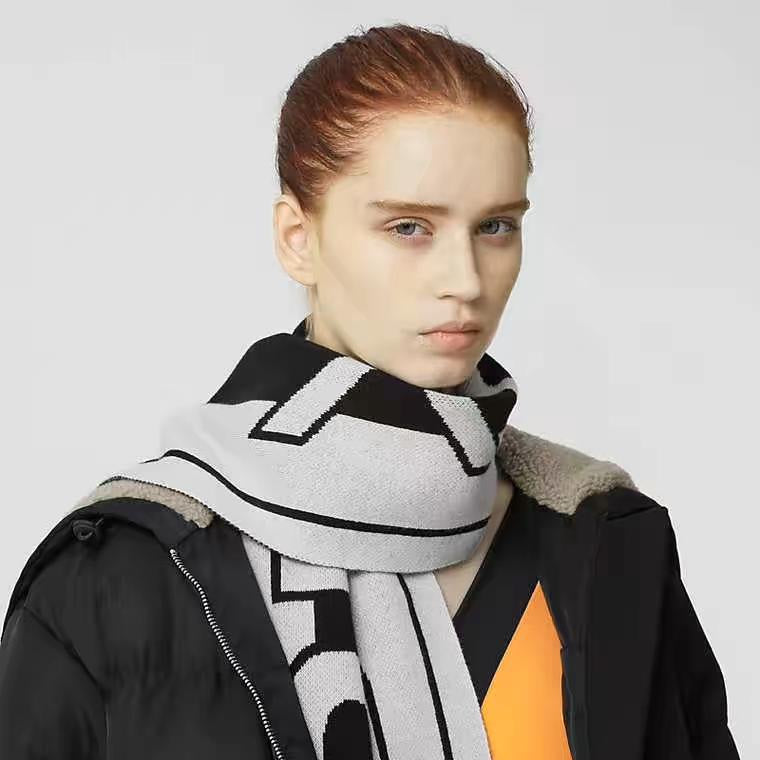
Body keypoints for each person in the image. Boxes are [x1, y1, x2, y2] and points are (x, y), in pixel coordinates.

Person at [0, 22, 740, 760]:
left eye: (495, 226)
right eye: (409, 227)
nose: (465, 280)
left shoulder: (607, 541)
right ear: (298, 238)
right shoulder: (124, 570)